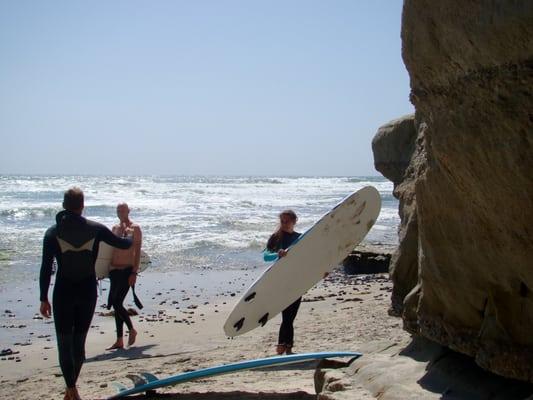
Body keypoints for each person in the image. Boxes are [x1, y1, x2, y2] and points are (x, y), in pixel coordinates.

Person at [39, 187, 132, 400]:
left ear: (63, 205)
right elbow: (123, 244)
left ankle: (70, 389)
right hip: (87, 292)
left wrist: (43, 297)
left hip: (63, 292)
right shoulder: (96, 229)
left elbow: (46, 268)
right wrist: (129, 235)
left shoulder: (52, 233)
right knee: (78, 345)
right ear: (82, 206)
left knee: (64, 344)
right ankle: (71, 390)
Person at [263, 209, 302, 355]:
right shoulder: (276, 237)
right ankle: (283, 346)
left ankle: (287, 346)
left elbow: (308, 258)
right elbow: (266, 257)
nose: (284, 224)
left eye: (287, 221)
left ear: (294, 221)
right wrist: (277, 254)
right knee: (286, 314)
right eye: (282, 221)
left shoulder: (301, 238)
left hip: (297, 280)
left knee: (291, 315)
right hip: (281, 279)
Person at [106, 202, 142, 350]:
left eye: (123, 210)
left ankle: (132, 330)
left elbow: (138, 251)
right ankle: (119, 340)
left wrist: (134, 272)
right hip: (114, 270)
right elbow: (108, 251)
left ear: (129, 211)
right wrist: (102, 270)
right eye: (118, 210)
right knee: (116, 303)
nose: (120, 212)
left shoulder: (135, 229)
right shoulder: (114, 229)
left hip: (127, 270)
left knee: (116, 301)